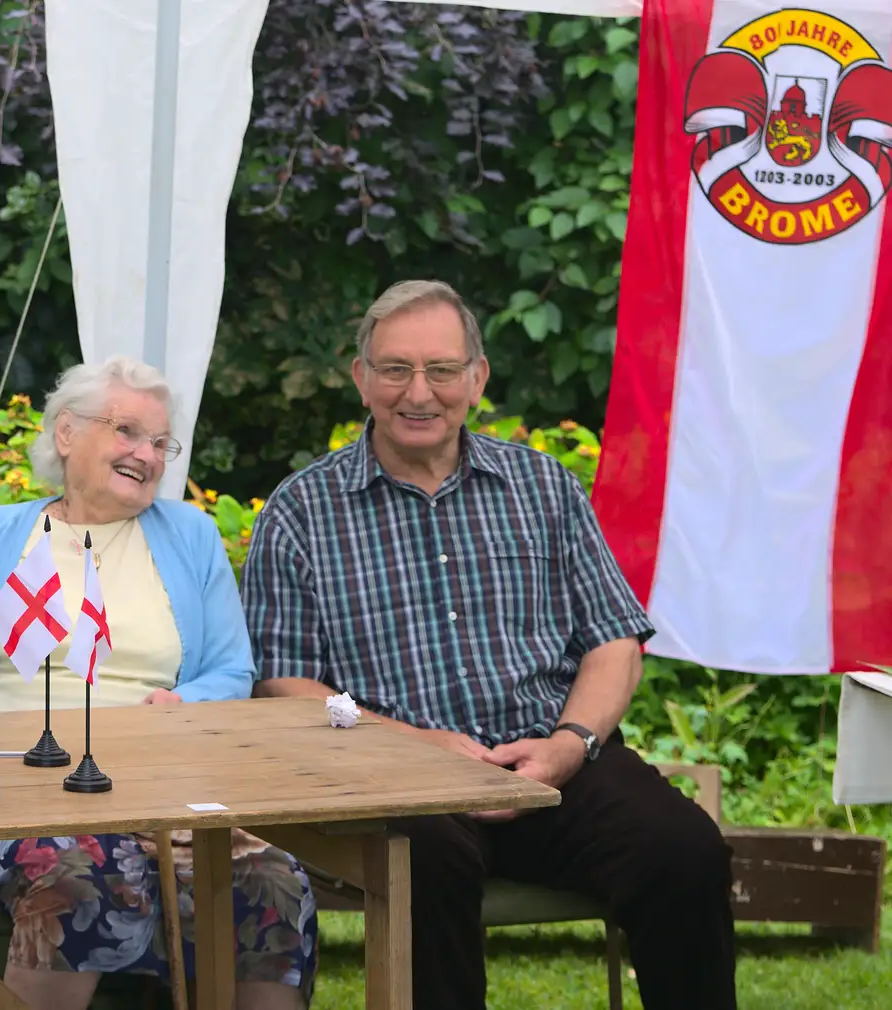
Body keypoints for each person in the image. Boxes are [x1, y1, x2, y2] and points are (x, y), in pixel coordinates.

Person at [240, 279, 737, 1010]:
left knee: (683, 849)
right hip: (397, 778)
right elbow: (288, 686)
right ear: (360, 379)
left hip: (551, 763)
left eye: (441, 370)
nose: (419, 391)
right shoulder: (301, 511)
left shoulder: (541, 487)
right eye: (395, 369)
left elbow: (614, 641)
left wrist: (568, 745)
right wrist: (412, 745)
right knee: (425, 865)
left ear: (477, 379)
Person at [0, 355, 318, 1010]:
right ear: (66, 434)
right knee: (83, 875)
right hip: (4, 793)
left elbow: (233, 670)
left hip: (159, 793)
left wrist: (181, 704)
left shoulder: (191, 537)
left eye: (160, 443)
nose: (146, 455)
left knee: (272, 882)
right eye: (127, 432)